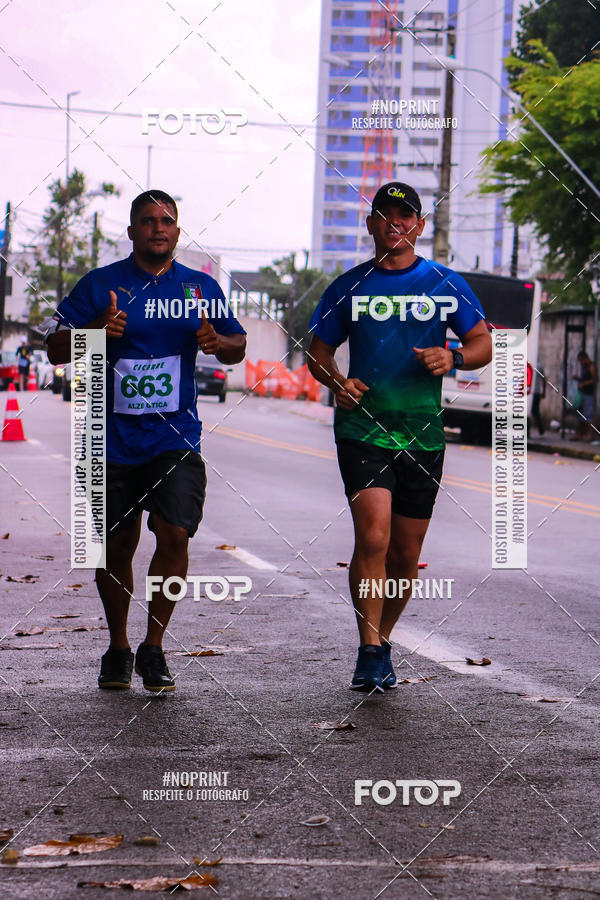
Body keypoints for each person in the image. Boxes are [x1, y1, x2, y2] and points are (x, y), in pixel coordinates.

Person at [47, 190, 246, 693]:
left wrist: (216, 342)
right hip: (108, 440)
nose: (158, 228)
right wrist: (93, 330)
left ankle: (154, 647)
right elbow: (53, 349)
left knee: (174, 533)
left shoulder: (199, 288)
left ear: (178, 232)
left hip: (173, 436)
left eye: (167, 221)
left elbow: (236, 346)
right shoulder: (101, 284)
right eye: (147, 221)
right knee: (115, 548)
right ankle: (117, 647)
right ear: (132, 231)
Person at [308, 182, 492, 692]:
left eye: (404, 215)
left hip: (423, 434)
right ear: (370, 224)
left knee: (406, 555)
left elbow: (483, 343)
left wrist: (453, 357)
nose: (395, 223)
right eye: (384, 215)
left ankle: (383, 640)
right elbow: (317, 351)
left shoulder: (444, 283)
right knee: (373, 536)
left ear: (420, 225)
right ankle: (369, 649)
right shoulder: (349, 286)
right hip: (364, 428)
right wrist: (337, 383)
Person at [574, 350, 596, 441]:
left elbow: (594, 380)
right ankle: (580, 435)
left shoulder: (591, 366)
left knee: (589, 416)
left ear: (584, 358)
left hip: (589, 394)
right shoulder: (584, 367)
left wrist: (584, 384)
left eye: (581, 360)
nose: (581, 363)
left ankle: (591, 436)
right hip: (583, 393)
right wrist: (578, 379)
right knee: (580, 415)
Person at [531, 365, 546, 436]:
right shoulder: (539, 366)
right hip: (534, 392)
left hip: (534, 392)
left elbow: (544, 379)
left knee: (534, 411)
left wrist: (543, 391)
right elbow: (544, 379)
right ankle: (541, 428)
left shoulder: (538, 366)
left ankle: (541, 428)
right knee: (534, 411)